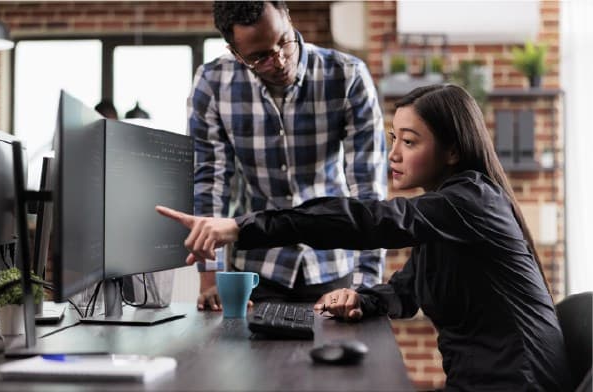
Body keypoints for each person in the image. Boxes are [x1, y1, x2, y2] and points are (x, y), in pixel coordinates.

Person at [158, 84, 572, 390]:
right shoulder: (447, 211)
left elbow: (368, 219)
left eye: (409, 142)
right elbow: (408, 290)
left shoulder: (472, 200)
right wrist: (364, 299)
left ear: (452, 151)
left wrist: (240, 227)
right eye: (395, 139)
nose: (393, 155)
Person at [188, 1, 387, 310]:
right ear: (235, 52)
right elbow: (210, 184)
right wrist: (210, 278)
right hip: (257, 267)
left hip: (333, 261)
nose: (279, 61)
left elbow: (368, 189)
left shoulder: (347, 76)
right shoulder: (212, 84)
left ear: (288, 18)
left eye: (283, 41)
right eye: (260, 57)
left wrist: (367, 286)